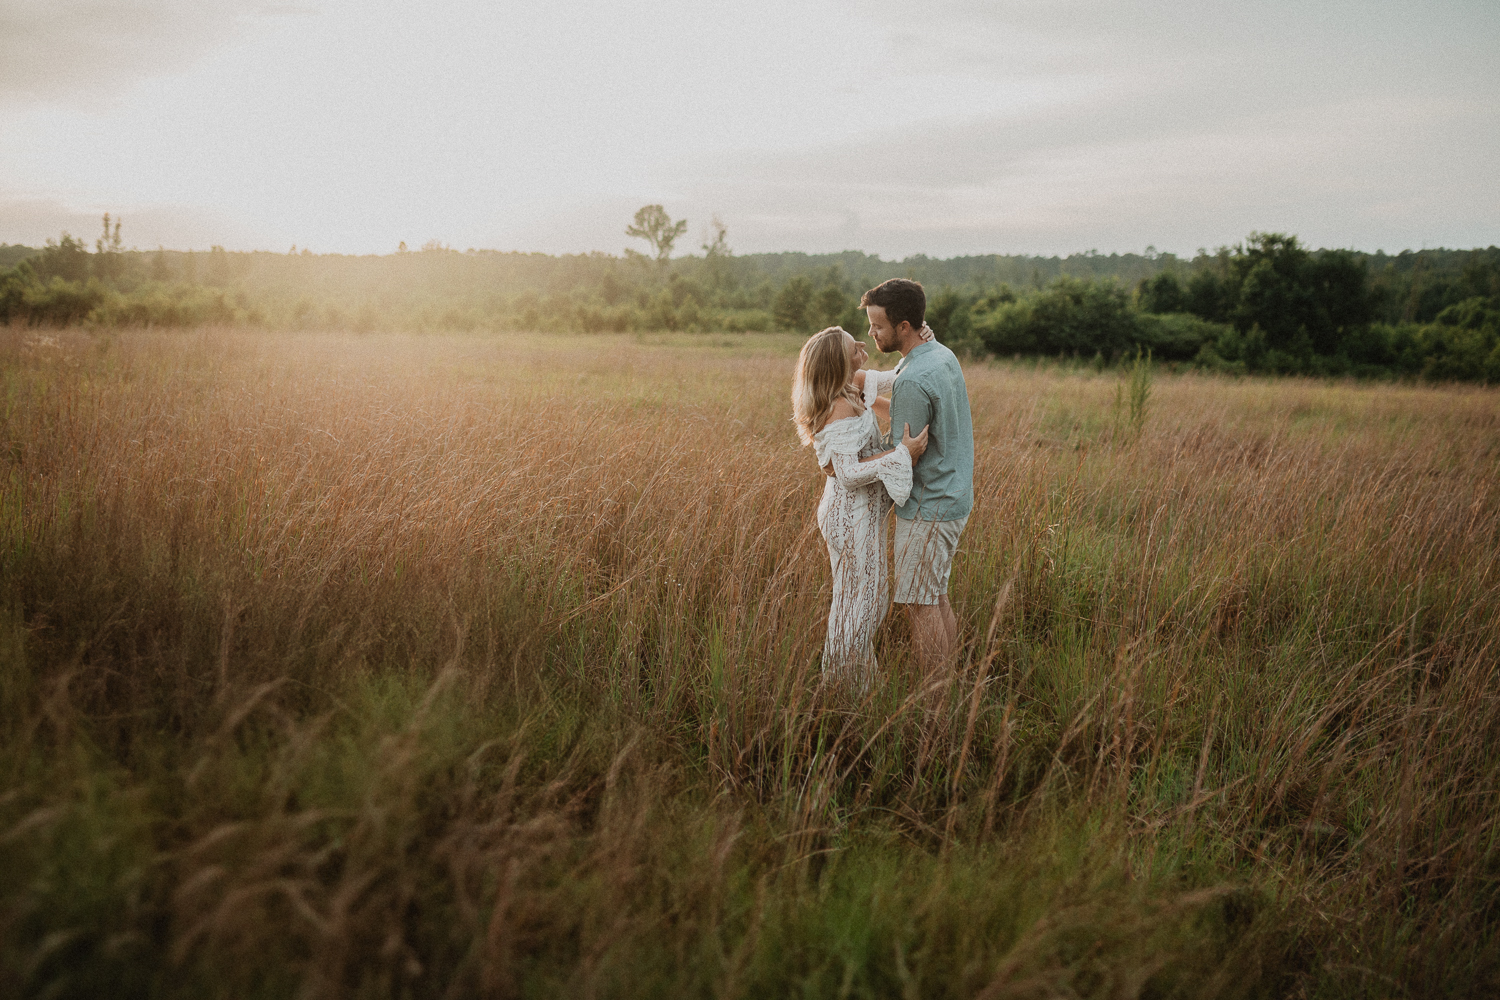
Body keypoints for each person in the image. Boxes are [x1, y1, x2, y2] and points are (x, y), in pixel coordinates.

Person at [792, 325, 929, 687]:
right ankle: (843, 687)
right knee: (867, 601)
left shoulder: (852, 387)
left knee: (855, 600)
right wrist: (904, 453)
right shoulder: (838, 409)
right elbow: (848, 473)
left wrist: (922, 338)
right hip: (849, 517)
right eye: (854, 347)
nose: (863, 345)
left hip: (853, 514)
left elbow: (896, 376)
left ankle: (851, 682)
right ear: (840, 361)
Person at [862, 278, 974, 674]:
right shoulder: (940, 354)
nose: (871, 333)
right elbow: (906, 407)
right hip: (953, 496)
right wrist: (857, 392)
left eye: (878, 326)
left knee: (919, 604)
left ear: (904, 327)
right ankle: (948, 686)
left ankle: (935, 701)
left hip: (930, 506)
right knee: (936, 596)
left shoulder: (912, 379)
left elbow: (901, 458)